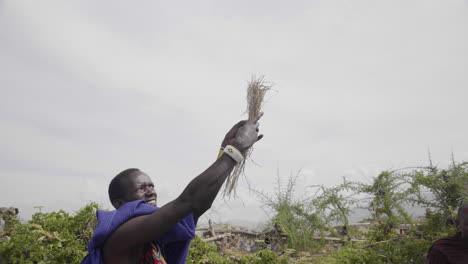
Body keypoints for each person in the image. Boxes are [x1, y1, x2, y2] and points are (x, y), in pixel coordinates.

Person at [81, 113, 264, 264]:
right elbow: (189, 203)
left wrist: (225, 150)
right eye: (142, 188)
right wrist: (235, 150)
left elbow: (195, 207)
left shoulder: (153, 238)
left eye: (151, 186)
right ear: (120, 203)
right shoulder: (123, 235)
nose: (151, 191)